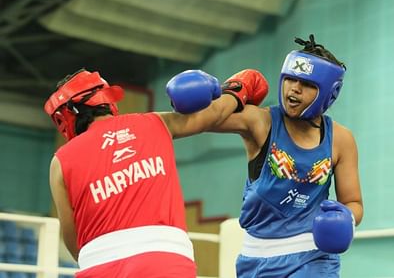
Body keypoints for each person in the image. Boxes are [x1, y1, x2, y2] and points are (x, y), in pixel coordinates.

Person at [44, 68, 268, 278]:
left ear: (66, 117)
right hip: (164, 260)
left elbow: (73, 242)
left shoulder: (61, 161)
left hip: (98, 264)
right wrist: (238, 88)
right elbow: (214, 113)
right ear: (107, 100)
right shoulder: (153, 123)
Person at [214, 34, 363, 277]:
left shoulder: (341, 139)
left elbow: (353, 203)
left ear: (328, 93)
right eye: (290, 79)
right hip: (255, 259)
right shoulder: (260, 122)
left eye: (305, 84)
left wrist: (346, 218)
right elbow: (208, 118)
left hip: (313, 257)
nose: (294, 88)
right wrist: (230, 92)